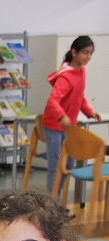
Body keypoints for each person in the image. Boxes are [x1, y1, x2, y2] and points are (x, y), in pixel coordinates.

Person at [43, 35, 101, 196]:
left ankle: (57, 200)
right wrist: (62, 116)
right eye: (85, 53)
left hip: (68, 128)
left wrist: (89, 111)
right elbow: (53, 101)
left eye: (90, 54)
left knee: (68, 164)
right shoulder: (66, 75)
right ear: (74, 52)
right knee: (55, 165)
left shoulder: (82, 71)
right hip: (54, 126)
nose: (87, 57)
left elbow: (79, 96)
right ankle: (51, 203)